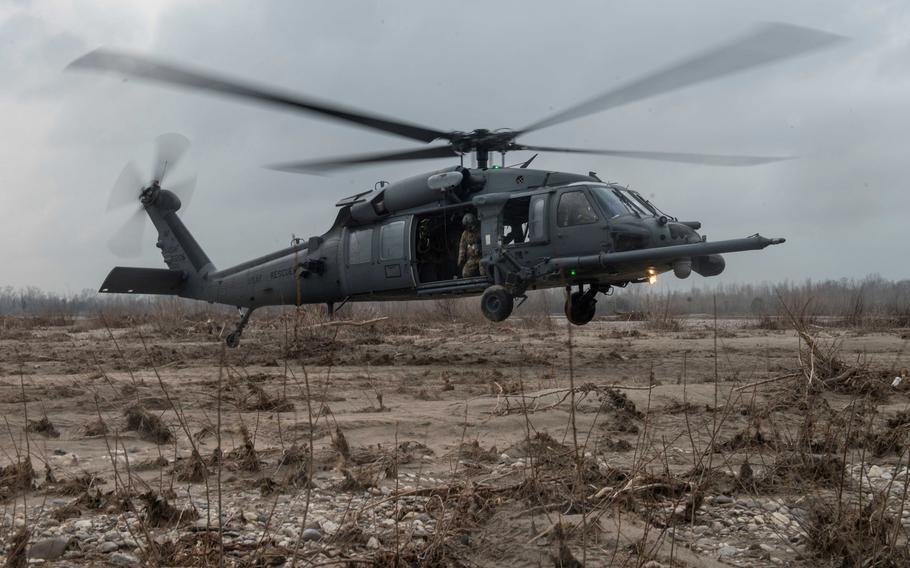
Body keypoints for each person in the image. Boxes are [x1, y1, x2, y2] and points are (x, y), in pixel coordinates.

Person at [457, 213, 485, 277]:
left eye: (470, 225)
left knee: (483, 271)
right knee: (465, 273)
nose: (470, 228)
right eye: (467, 226)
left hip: (482, 256)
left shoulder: (481, 229)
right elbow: (462, 247)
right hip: (472, 258)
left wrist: (480, 247)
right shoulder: (465, 234)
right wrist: (461, 259)